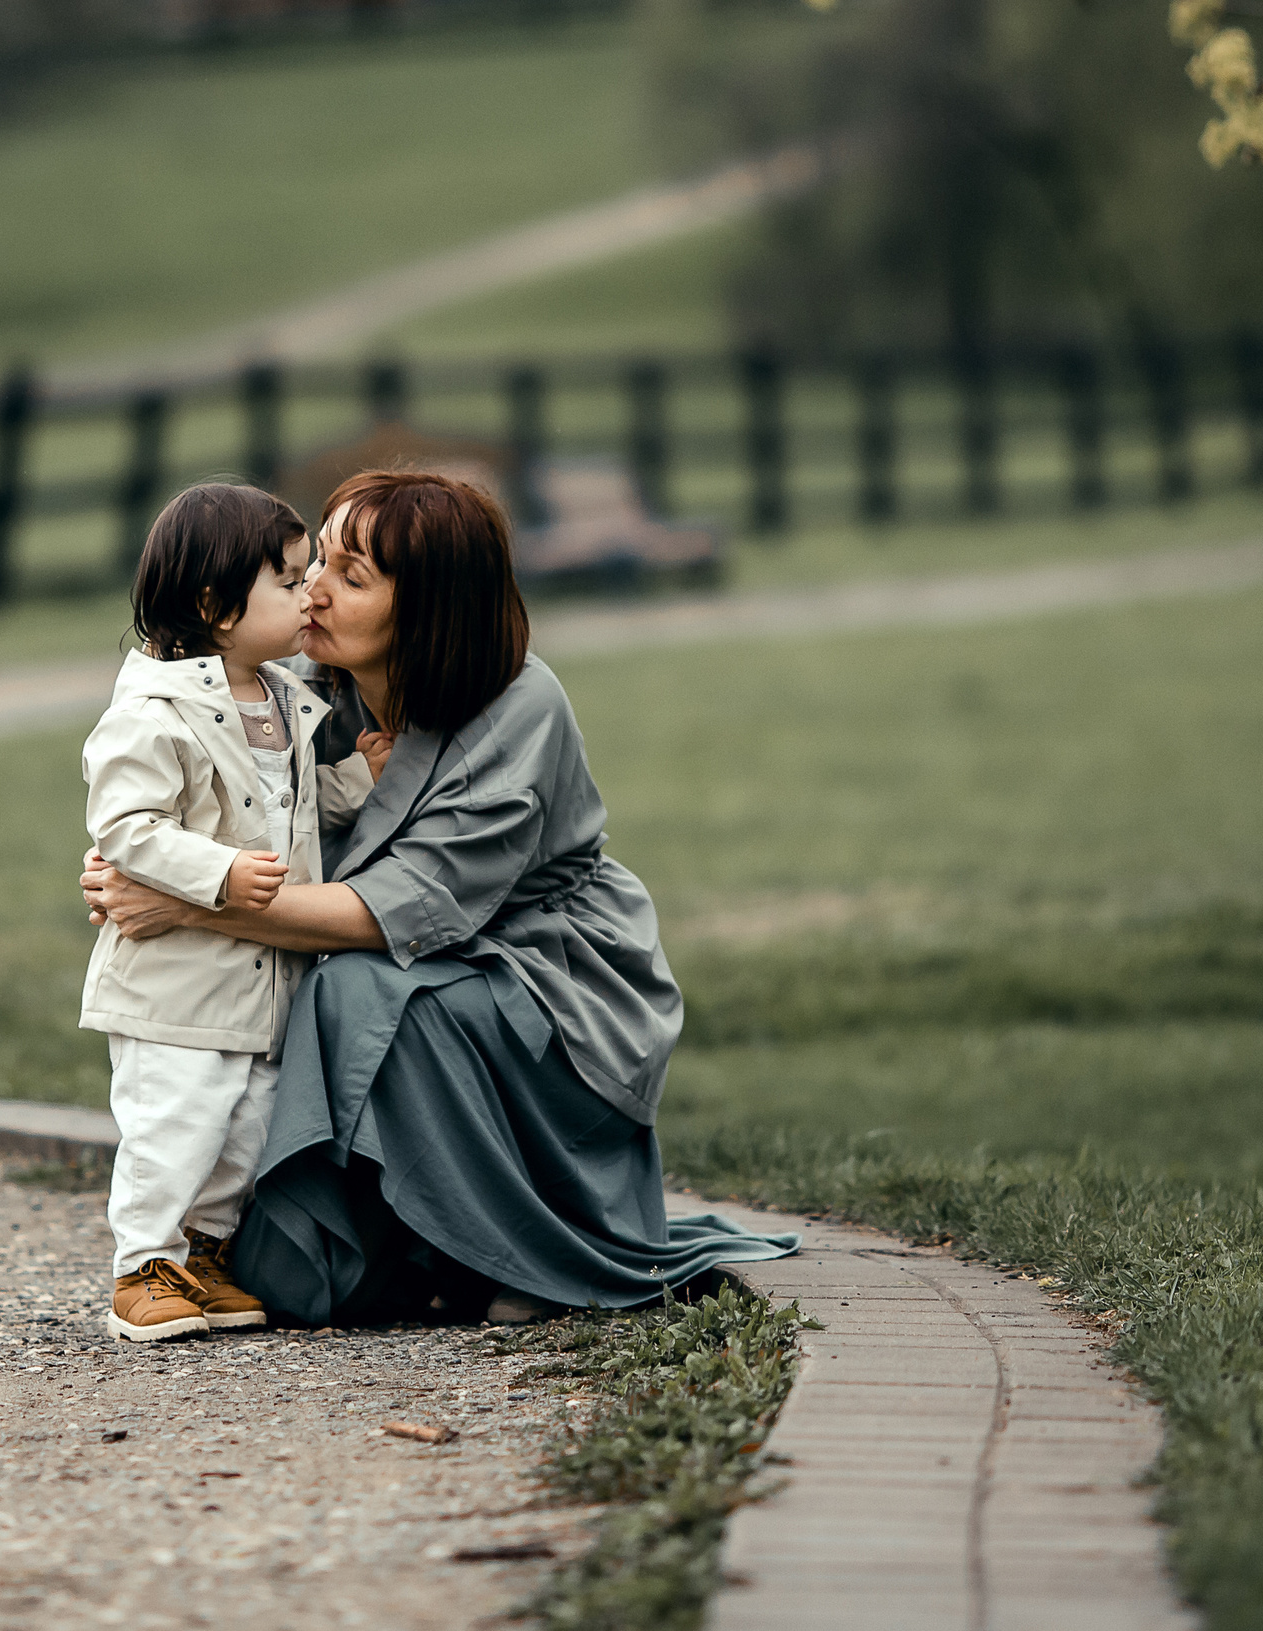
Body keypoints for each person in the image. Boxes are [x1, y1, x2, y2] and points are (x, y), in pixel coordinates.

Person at [84, 470, 799, 1327]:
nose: (313, 590)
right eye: (317, 563)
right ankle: (366, 1243)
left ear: (426, 610)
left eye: (351, 577)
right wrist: (162, 861)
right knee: (290, 1269)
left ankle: (493, 1243)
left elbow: (389, 916)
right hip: (369, 950)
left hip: (543, 971)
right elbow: (201, 800)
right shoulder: (309, 681)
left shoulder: (516, 705)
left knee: (360, 986)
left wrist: (190, 904)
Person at [79, 482, 375, 1343]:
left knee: (244, 1129)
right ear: (215, 606)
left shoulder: (280, 697)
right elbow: (127, 826)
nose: (309, 588)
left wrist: (364, 781)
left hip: (260, 989)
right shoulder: (153, 711)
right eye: (288, 580)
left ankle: (203, 1257)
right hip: (176, 990)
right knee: (177, 1123)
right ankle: (143, 1266)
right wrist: (216, 874)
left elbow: (292, 802)